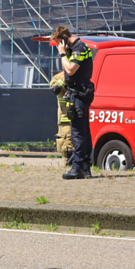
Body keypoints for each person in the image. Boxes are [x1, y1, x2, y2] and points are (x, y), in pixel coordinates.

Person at [51, 25, 95, 179]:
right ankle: (85, 167)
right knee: (83, 131)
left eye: (58, 43)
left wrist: (63, 54)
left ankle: (77, 169)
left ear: (64, 38)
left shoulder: (79, 49)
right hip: (78, 92)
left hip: (79, 94)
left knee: (77, 133)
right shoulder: (77, 48)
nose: (58, 47)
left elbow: (70, 70)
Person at [50, 72, 74, 167]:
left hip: (80, 119)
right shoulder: (59, 77)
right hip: (66, 122)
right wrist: (67, 75)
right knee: (68, 150)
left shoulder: (81, 75)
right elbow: (55, 88)